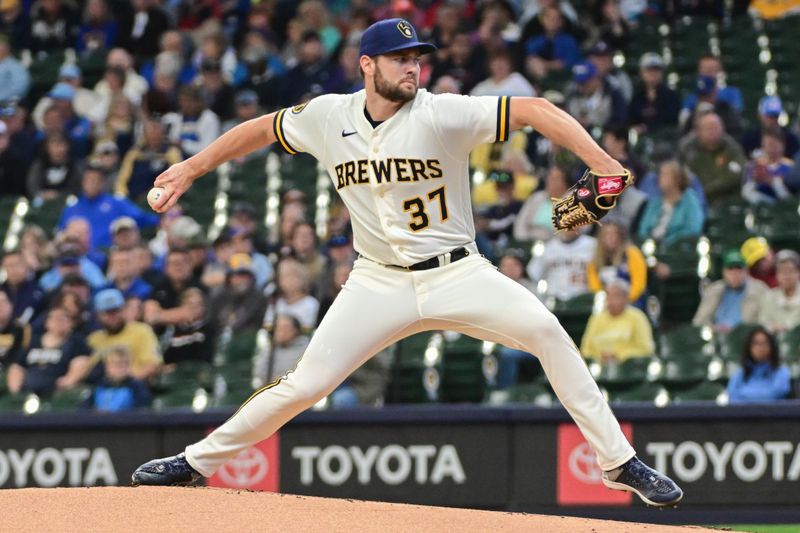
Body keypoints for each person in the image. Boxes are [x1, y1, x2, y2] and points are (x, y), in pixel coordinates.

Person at [131, 18, 682, 507]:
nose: (413, 67)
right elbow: (262, 129)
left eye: (417, 57)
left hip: (457, 271)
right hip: (376, 281)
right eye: (400, 59)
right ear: (367, 65)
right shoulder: (328, 116)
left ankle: (617, 462)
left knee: (547, 331)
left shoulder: (443, 113)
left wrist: (604, 164)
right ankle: (197, 463)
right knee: (304, 384)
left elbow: (536, 111)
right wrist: (192, 169)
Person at [5, 306, 90, 398]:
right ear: (47, 322)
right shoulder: (34, 342)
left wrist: (69, 380)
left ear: (71, 323)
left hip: (58, 393)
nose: (58, 322)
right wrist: (15, 387)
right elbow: (18, 366)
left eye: (63, 318)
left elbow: (81, 363)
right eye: (54, 318)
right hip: (28, 391)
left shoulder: (76, 342)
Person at [87, 288, 161, 381]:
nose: (113, 316)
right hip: (102, 389)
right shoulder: (94, 338)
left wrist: (127, 381)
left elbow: (152, 365)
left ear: (124, 310)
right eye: (107, 313)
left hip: (134, 386)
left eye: (116, 311)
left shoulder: (141, 330)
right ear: (98, 316)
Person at [692, 250, 768, 333]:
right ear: (724, 272)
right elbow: (698, 321)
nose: (735, 274)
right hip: (718, 336)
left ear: (746, 271)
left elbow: (767, 320)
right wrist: (713, 328)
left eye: (739, 269)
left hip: (748, 337)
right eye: (730, 269)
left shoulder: (759, 289)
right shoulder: (713, 290)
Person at [677, 112, 746, 204]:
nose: (713, 131)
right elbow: (681, 175)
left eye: (717, 127)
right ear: (698, 131)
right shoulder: (687, 149)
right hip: (695, 200)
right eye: (709, 128)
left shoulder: (731, 148)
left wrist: (710, 189)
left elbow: (737, 173)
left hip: (727, 199)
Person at [580, 279, 655, 363]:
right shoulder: (596, 318)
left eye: (615, 296)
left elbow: (646, 349)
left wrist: (618, 355)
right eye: (608, 295)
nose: (610, 300)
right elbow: (585, 349)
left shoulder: (638, 317)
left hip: (629, 369)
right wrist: (599, 357)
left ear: (625, 298)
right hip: (598, 368)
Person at [637, 160, 705, 246]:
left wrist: (668, 243)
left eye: (665, 175)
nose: (660, 178)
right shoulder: (654, 203)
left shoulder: (690, 201)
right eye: (660, 174)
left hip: (676, 250)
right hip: (651, 247)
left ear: (677, 179)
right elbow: (643, 229)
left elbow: (692, 230)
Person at [587, 222, 647, 308]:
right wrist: (606, 300)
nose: (611, 238)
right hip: (606, 302)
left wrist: (626, 300)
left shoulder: (631, 253)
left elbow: (639, 283)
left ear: (620, 237)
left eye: (614, 235)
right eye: (607, 235)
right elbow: (594, 284)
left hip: (631, 300)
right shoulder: (596, 258)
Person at [727, 326, 791, 404]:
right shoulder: (740, 373)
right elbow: (732, 395)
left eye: (764, 343)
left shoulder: (781, 371)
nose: (760, 348)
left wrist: (744, 393)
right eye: (756, 343)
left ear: (771, 347)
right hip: (744, 415)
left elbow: (777, 393)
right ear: (749, 348)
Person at [527, 229, 597, 301]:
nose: (568, 227)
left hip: (584, 300)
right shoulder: (548, 247)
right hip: (553, 300)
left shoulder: (593, 245)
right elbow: (533, 274)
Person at [83, 345, 152, 412]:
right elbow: (84, 410)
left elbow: (141, 411)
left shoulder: (138, 387)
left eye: (125, 363)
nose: (121, 367)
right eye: (116, 364)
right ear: (107, 366)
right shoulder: (98, 385)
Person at [628, 52, 680, 133]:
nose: (653, 74)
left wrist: (647, 128)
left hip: (664, 138)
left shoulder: (670, 96)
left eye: (656, 71)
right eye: (649, 71)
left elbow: (671, 121)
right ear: (641, 73)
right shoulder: (637, 96)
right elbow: (631, 119)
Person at [758, 250, 800, 334]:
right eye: (782, 271)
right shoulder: (769, 296)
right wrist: (773, 328)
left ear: (798, 273)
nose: (786, 276)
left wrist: (785, 327)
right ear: (776, 274)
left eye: (790, 270)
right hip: (773, 342)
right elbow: (763, 322)